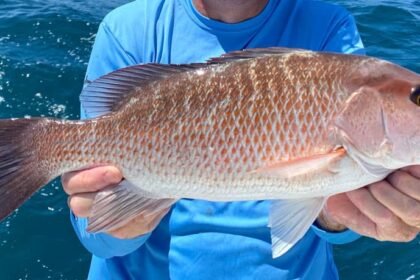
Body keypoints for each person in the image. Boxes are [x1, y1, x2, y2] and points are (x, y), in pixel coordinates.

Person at [63, 0, 420, 279]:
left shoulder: (329, 26)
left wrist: (341, 214)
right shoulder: (128, 29)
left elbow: (333, 208)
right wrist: (116, 223)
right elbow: (96, 234)